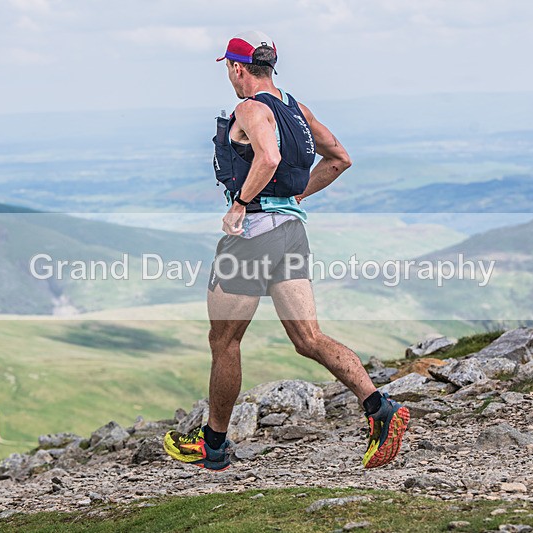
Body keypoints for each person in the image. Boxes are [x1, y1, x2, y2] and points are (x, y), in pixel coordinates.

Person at [163, 31, 409, 471]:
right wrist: (295, 200)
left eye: (228, 68)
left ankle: (213, 445)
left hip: (253, 234)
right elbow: (339, 158)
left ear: (237, 68)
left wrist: (239, 206)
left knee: (224, 340)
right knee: (308, 338)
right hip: (292, 233)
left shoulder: (249, 107)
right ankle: (380, 409)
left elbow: (269, 157)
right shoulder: (297, 108)